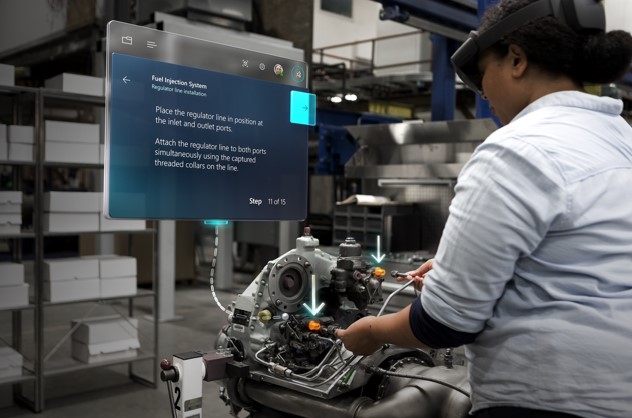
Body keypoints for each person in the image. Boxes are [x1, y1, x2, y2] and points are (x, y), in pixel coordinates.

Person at [335, 1, 632, 417]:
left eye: (483, 73)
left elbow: (444, 323)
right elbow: (582, 262)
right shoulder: (621, 140)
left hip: (543, 401)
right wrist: (461, 265)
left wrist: (371, 331)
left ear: (515, 59)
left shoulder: (517, 149)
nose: (483, 92)